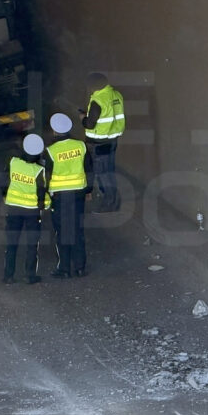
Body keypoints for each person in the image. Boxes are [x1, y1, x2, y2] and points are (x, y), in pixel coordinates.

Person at [44, 112, 93, 278]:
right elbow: (89, 170)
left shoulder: (50, 151)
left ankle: (64, 269)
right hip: (78, 194)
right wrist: (89, 191)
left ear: (55, 131)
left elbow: (46, 176)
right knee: (77, 231)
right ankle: (80, 267)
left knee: (62, 232)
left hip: (59, 197)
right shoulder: (81, 146)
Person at [1, 134, 49, 285]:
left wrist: (5, 196)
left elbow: (3, 182)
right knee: (32, 244)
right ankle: (29, 275)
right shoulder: (39, 170)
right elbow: (41, 191)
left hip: (14, 209)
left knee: (11, 243)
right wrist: (43, 204)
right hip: (31, 212)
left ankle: (8, 275)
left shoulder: (13, 162)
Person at [81, 72, 125, 212]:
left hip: (98, 143)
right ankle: (111, 200)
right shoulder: (116, 95)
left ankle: (110, 203)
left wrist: (82, 117)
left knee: (103, 174)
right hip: (112, 140)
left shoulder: (98, 101)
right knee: (109, 171)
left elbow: (90, 124)